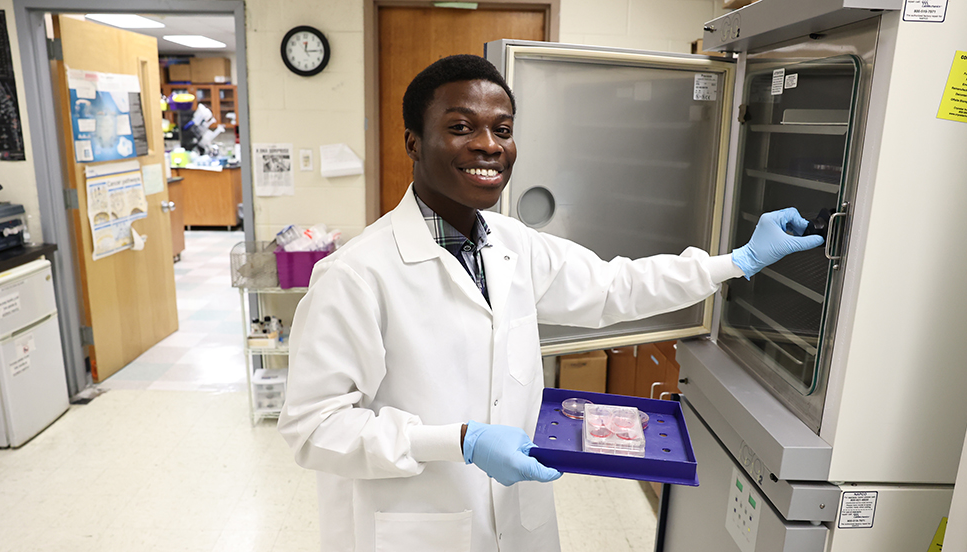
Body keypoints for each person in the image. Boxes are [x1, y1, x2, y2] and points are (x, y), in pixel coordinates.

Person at [277, 54, 823, 552]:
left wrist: (738, 261)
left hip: (517, 519)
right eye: (461, 127)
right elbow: (314, 427)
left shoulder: (513, 244)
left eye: (503, 129)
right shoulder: (355, 274)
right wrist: (458, 442)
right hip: (417, 526)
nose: (489, 145)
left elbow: (615, 287)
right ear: (413, 141)